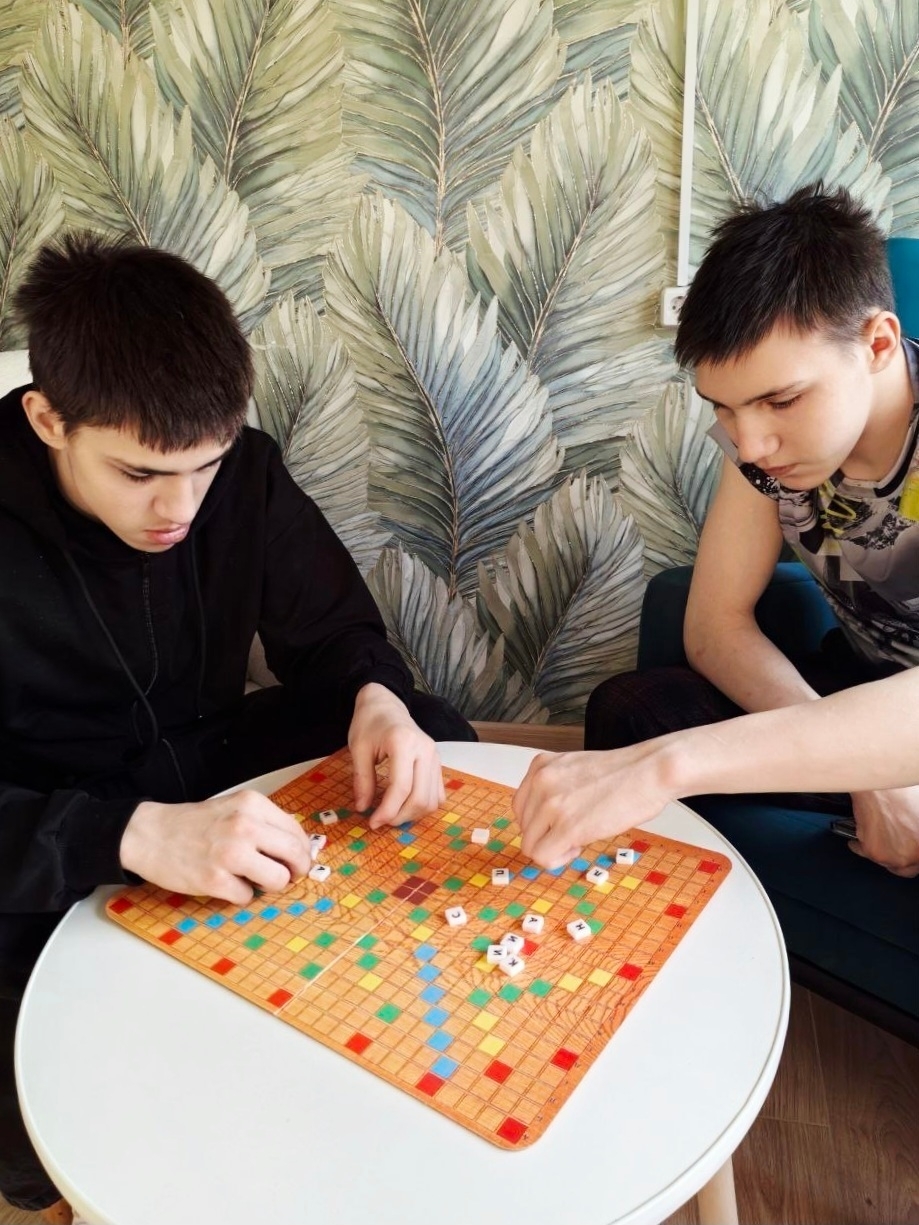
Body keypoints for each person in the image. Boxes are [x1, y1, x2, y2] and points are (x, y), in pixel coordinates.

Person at [0, 233, 474, 1221]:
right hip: (47, 812)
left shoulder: (244, 473)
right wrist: (130, 834)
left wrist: (375, 694)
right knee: (41, 1107)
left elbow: (335, 632)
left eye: (203, 466)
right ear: (48, 419)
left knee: (420, 725)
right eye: (139, 473)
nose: (178, 507)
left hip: (207, 750)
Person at [514, 183, 919, 881]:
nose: (750, 445)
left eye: (781, 401)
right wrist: (861, 774)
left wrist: (669, 766)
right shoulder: (759, 448)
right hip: (853, 687)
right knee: (635, 710)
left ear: (876, 343)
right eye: (725, 409)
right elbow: (715, 625)